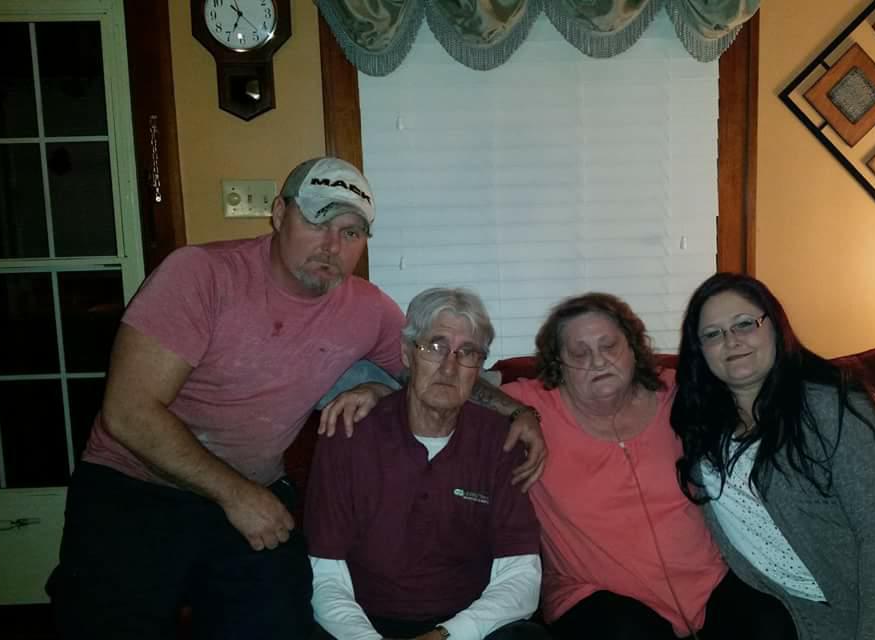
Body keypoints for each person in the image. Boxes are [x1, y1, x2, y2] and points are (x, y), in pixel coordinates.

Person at [47, 157, 545, 640]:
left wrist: (518, 411)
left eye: (351, 233)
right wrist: (235, 495)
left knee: (282, 623)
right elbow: (128, 413)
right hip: (136, 487)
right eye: (317, 222)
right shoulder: (200, 274)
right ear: (280, 213)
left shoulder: (367, 308)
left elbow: (435, 370)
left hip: (254, 496)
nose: (331, 246)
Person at [671, 273, 875, 640]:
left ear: (775, 326)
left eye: (745, 324)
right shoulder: (700, 426)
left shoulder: (833, 406)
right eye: (713, 334)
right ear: (699, 351)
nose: (731, 340)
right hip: (815, 599)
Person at [501, 293, 796, 640]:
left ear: (633, 347)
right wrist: (518, 412)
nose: (598, 361)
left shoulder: (677, 392)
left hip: (708, 581)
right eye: (579, 354)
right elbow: (461, 382)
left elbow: (761, 380)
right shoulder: (536, 404)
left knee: (769, 621)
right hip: (595, 596)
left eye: (610, 346)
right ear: (558, 365)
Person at [306, 288, 549, 640]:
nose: (449, 367)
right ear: (407, 354)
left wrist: (447, 635)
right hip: (364, 622)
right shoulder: (347, 433)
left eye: (467, 352)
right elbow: (325, 573)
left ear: (478, 368)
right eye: (435, 347)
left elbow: (521, 575)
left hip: (465, 624)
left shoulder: (501, 441)